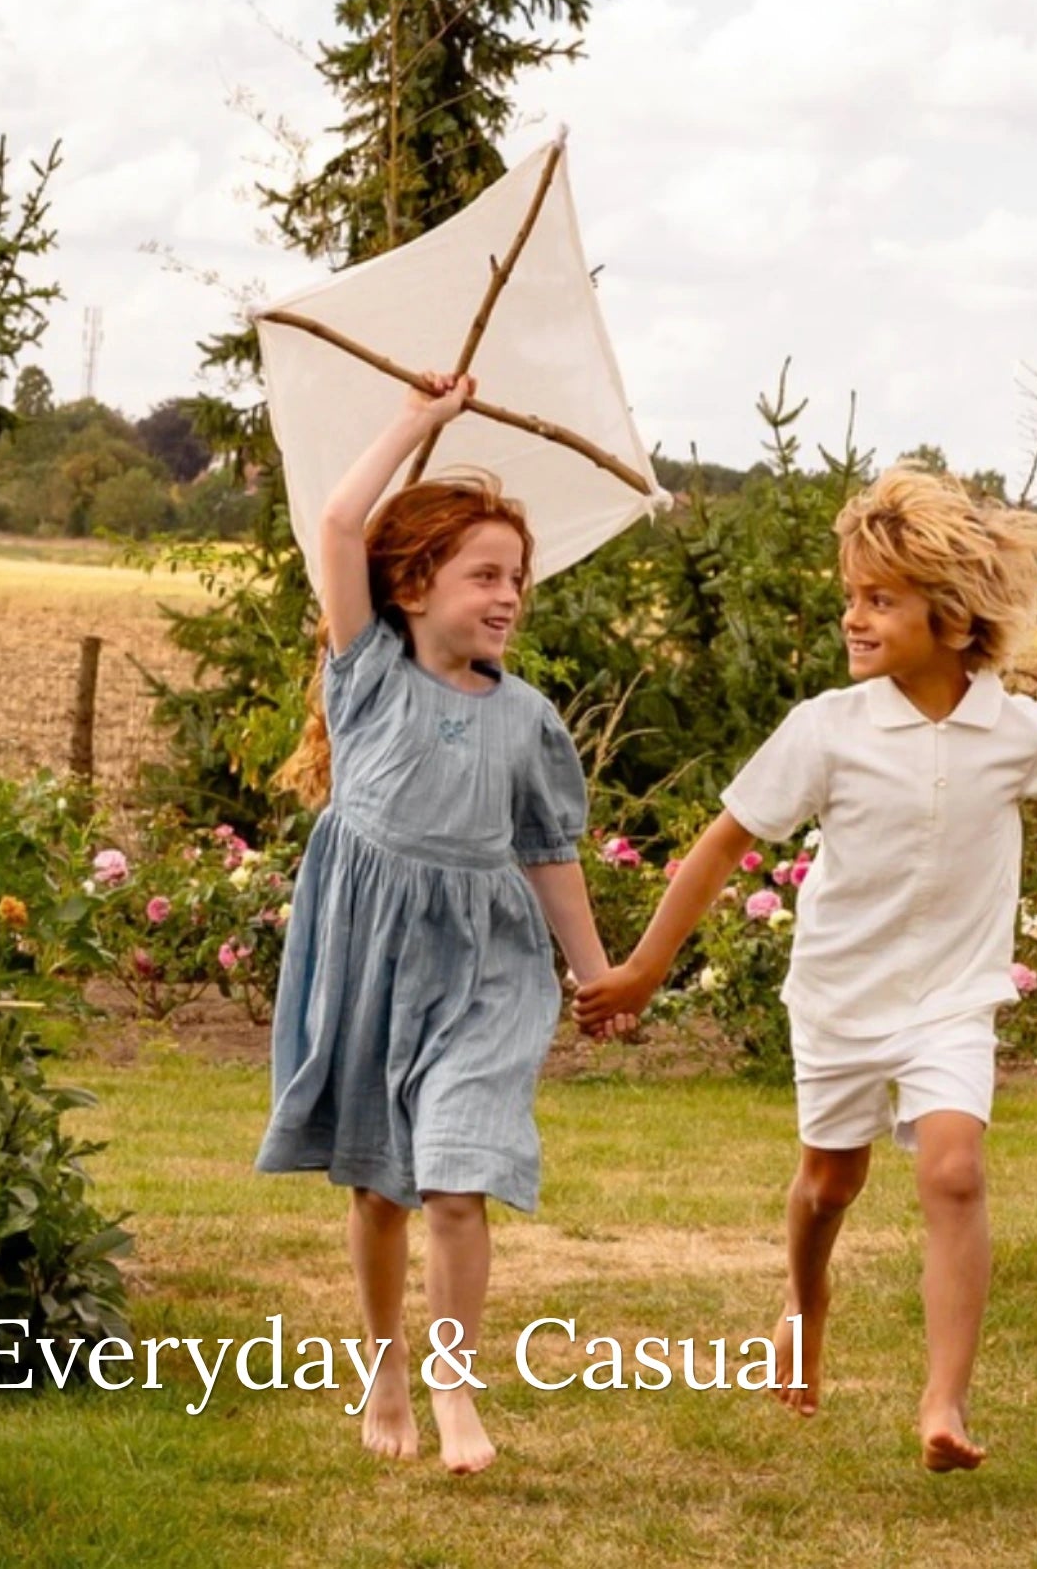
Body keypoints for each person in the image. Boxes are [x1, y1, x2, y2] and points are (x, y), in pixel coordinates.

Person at [574, 465, 1037, 1472]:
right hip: (842, 992)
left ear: (952, 614)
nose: (854, 617)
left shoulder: (1012, 727)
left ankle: (945, 1403)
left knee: (954, 1170)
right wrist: (640, 969)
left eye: (878, 599)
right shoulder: (829, 732)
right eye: (850, 597)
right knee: (831, 1181)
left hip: (953, 997)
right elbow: (721, 847)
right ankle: (804, 1305)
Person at [258, 373, 630, 1475]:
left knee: (458, 1175)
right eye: (484, 574)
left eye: (518, 576)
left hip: (484, 962)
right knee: (381, 1185)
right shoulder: (365, 675)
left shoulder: (527, 720)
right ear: (414, 585)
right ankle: (386, 1362)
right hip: (370, 947)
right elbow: (337, 520)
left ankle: (457, 1383)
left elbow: (549, 852)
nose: (509, 594)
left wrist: (595, 973)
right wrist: (419, 423)